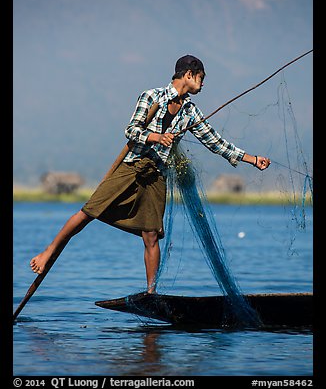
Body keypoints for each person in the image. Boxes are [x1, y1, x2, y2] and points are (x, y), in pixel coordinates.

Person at [30, 54, 271, 293]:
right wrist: (156, 137)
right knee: (88, 212)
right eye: (201, 77)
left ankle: (150, 293)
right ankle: (48, 251)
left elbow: (215, 142)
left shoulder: (190, 111)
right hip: (132, 167)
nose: (203, 83)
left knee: (151, 235)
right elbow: (131, 130)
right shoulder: (151, 96)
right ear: (188, 75)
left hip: (156, 175)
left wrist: (252, 159)